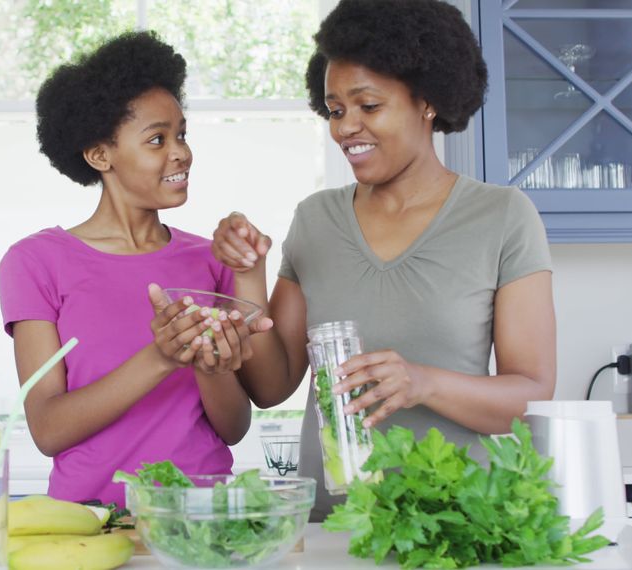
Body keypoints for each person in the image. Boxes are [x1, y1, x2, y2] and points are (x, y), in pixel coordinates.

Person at [212, 0, 556, 519]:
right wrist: (246, 275)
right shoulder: (315, 220)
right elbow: (271, 385)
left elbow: (531, 399)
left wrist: (424, 383)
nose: (346, 127)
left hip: (455, 525)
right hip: (331, 524)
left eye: (368, 106)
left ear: (427, 102)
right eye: (335, 110)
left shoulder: (502, 216)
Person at [0, 31, 261, 507]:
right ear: (101, 155)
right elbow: (48, 428)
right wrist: (161, 357)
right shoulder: (35, 262)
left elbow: (234, 427)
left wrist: (208, 366)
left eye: (181, 134)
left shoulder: (209, 259)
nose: (181, 152)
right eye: (157, 139)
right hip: (90, 523)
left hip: (203, 517)